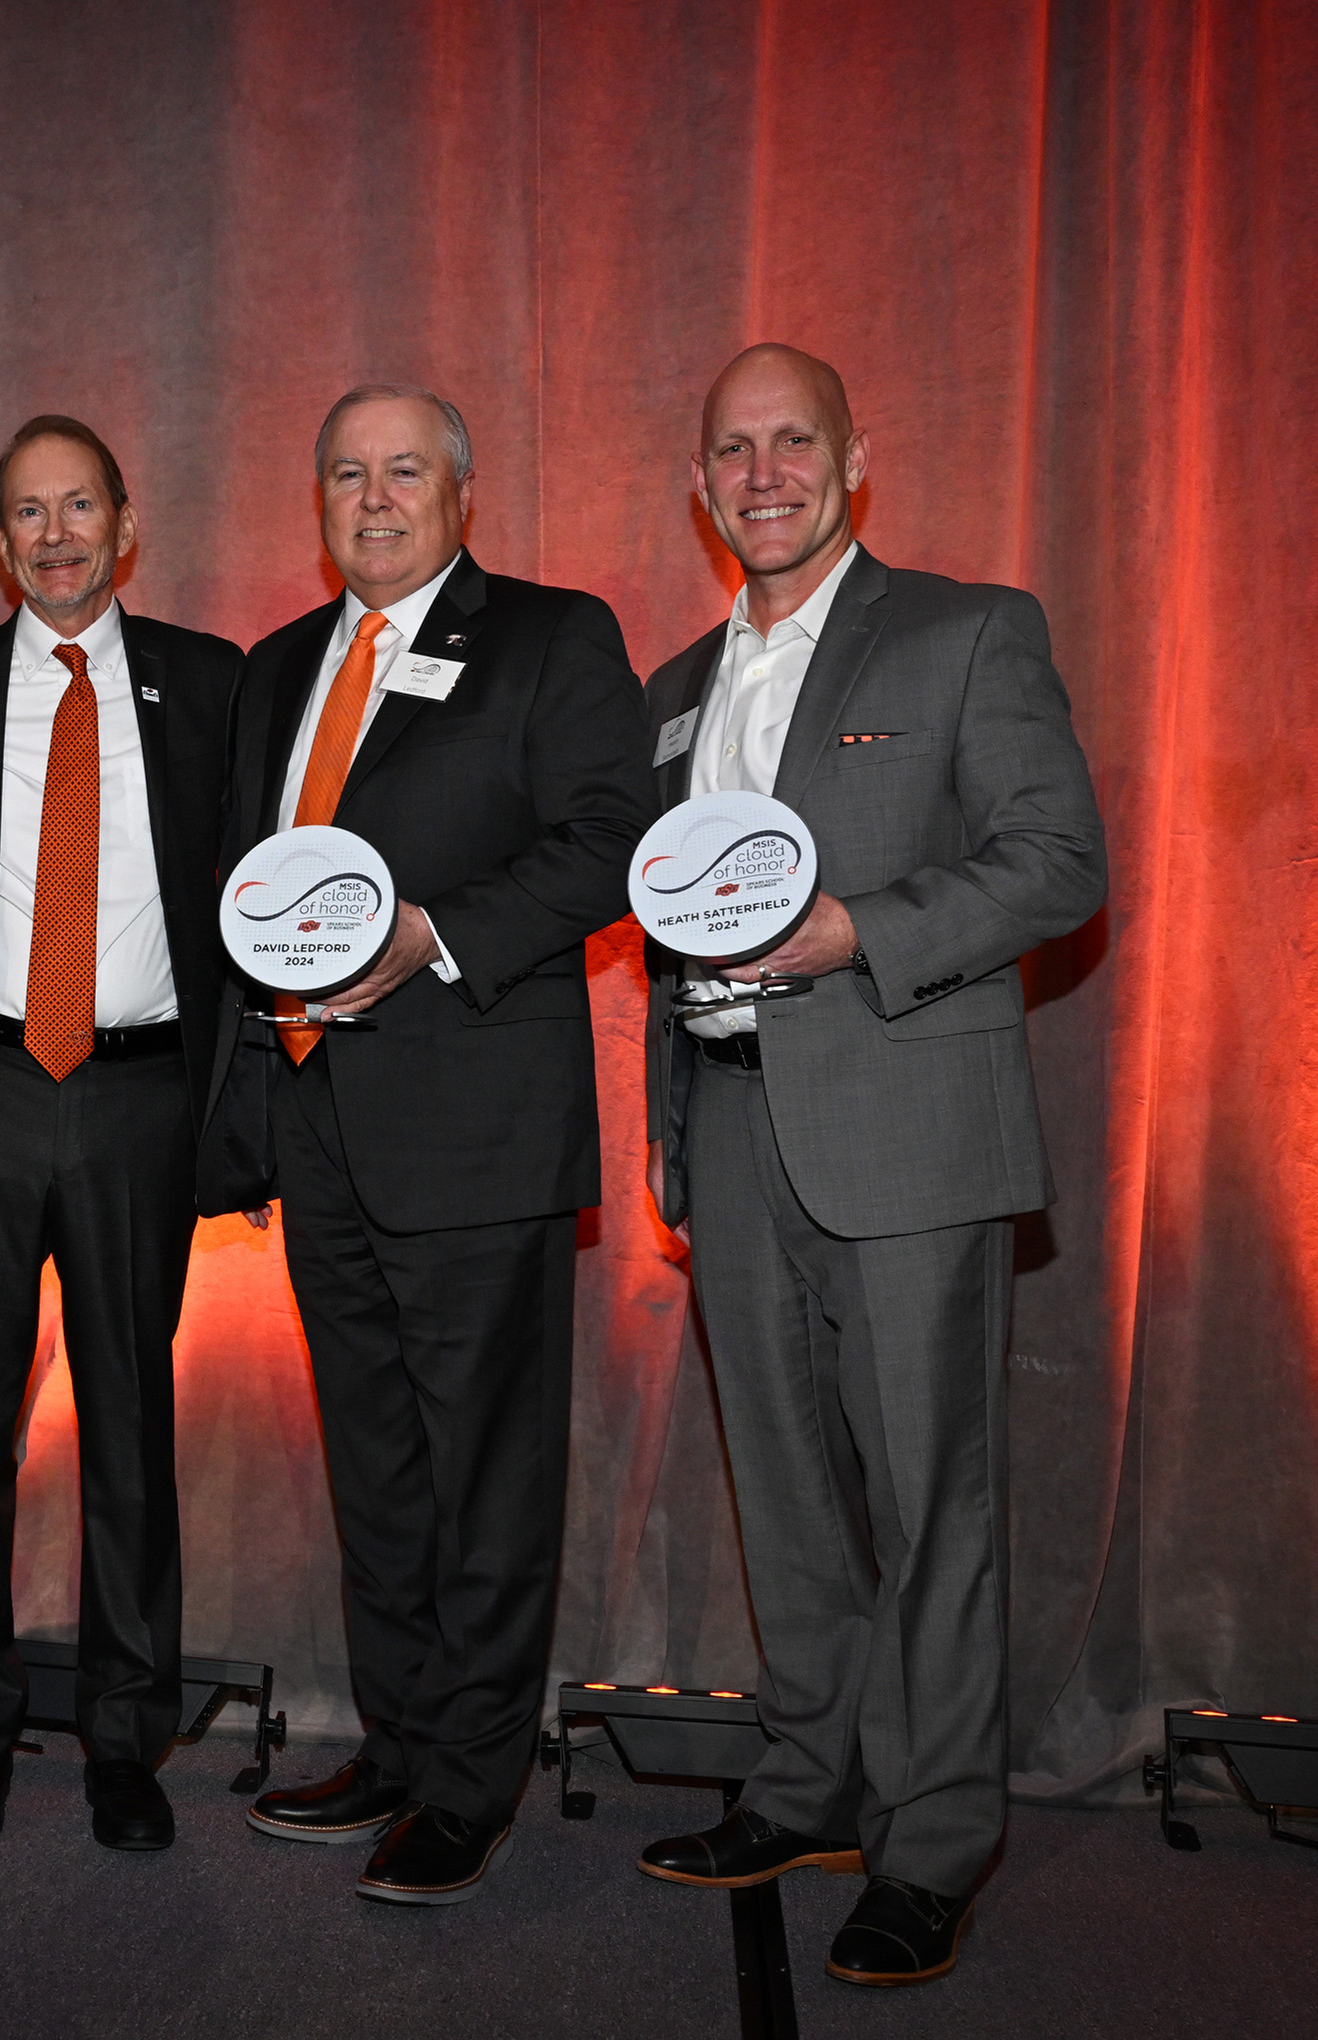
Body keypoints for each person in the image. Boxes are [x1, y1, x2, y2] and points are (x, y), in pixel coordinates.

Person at [636, 344, 1105, 1986]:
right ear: (701, 487)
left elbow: (1057, 862)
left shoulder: (971, 630)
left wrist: (862, 934)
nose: (764, 473)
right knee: (789, 1502)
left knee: (934, 1506)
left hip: (911, 1134)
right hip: (734, 1134)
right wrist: (671, 1138)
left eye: (793, 442)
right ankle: (807, 1785)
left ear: (855, 459)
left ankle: (931, 1844)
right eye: (733, 451)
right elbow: (666, 922)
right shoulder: (674, 685)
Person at [208, 384, 653, 1906]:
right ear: (317, 497)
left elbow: (611, 839)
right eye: (347, 472)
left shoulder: (549, 636)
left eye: (406, 471)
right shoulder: (277, 670)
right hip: (321, 1118)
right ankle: (398, 1742)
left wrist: (437, 940)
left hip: (475, 1128)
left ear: (463, 491)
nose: (376, 498)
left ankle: (473, 1779)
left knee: (486, 1468)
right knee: (381, 1463)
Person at [0, 416, 240, 1852]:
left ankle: (125, 1736)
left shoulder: (211, 682)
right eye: (26, 514)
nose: (55, 536)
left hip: (141, 1096)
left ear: (125, 522)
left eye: (77, 506)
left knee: (129, 1421)